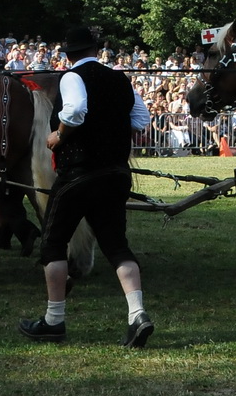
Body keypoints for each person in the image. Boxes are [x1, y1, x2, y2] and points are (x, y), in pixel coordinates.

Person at [19, 25, 155, 348]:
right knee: (117, 247)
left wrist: (58, 135)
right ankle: (137, 315)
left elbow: (76, 111)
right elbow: (142, 119)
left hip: (79, 175)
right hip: (116, 175)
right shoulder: (120, 80)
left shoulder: (71, 77)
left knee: (53, 245)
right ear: (95, 50)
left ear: (69, 55)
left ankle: (54, 320)